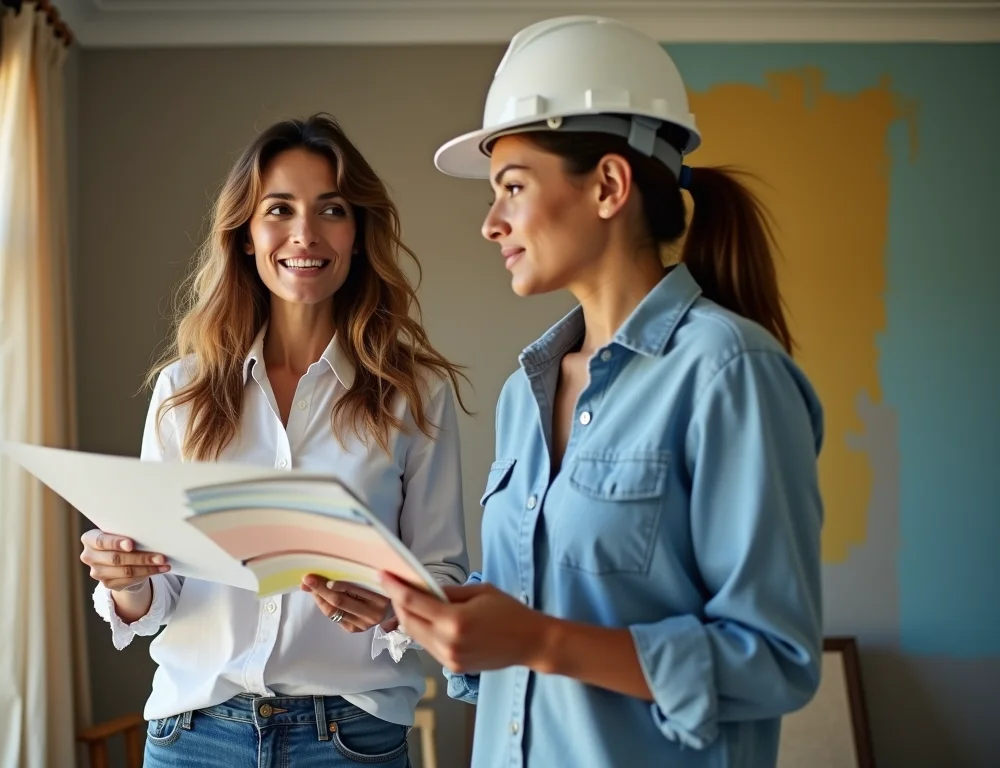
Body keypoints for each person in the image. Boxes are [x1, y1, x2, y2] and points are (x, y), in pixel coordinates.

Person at [380, 16, 826, 768]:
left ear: (610, 186)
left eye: (513, 188)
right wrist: (422, 615)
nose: (491, 224)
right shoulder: (529, 395)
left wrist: (539, 640)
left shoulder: (728, 372)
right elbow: (529, 622)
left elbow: (776, 660)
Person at [78, 113, 470, 767]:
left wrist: (391, 607)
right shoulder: (184, 389)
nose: (304, 234)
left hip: (350, 741)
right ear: (246, 234)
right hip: (194, 737)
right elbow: (159, 597)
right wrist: (126, 581)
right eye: (279, 209)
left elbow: (443, 575)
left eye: (332, 210)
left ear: (359, 232)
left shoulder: (414, 391)